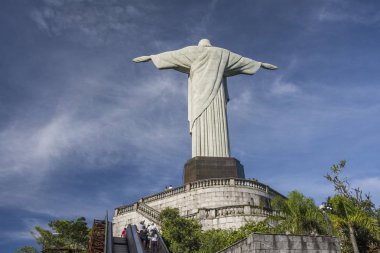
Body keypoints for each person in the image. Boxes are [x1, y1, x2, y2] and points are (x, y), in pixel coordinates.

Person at [133, 39, 277, 158]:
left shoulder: (192, 51)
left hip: (198, 94)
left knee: (202, 121)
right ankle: (219, 153)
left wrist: (151, 57)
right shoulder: (222, 53)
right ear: (210, 44)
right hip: (216, 94)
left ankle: (202, 153)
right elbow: (241, 61)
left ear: (200, 45)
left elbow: (172, 55)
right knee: (216, 121)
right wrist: (260, 64)